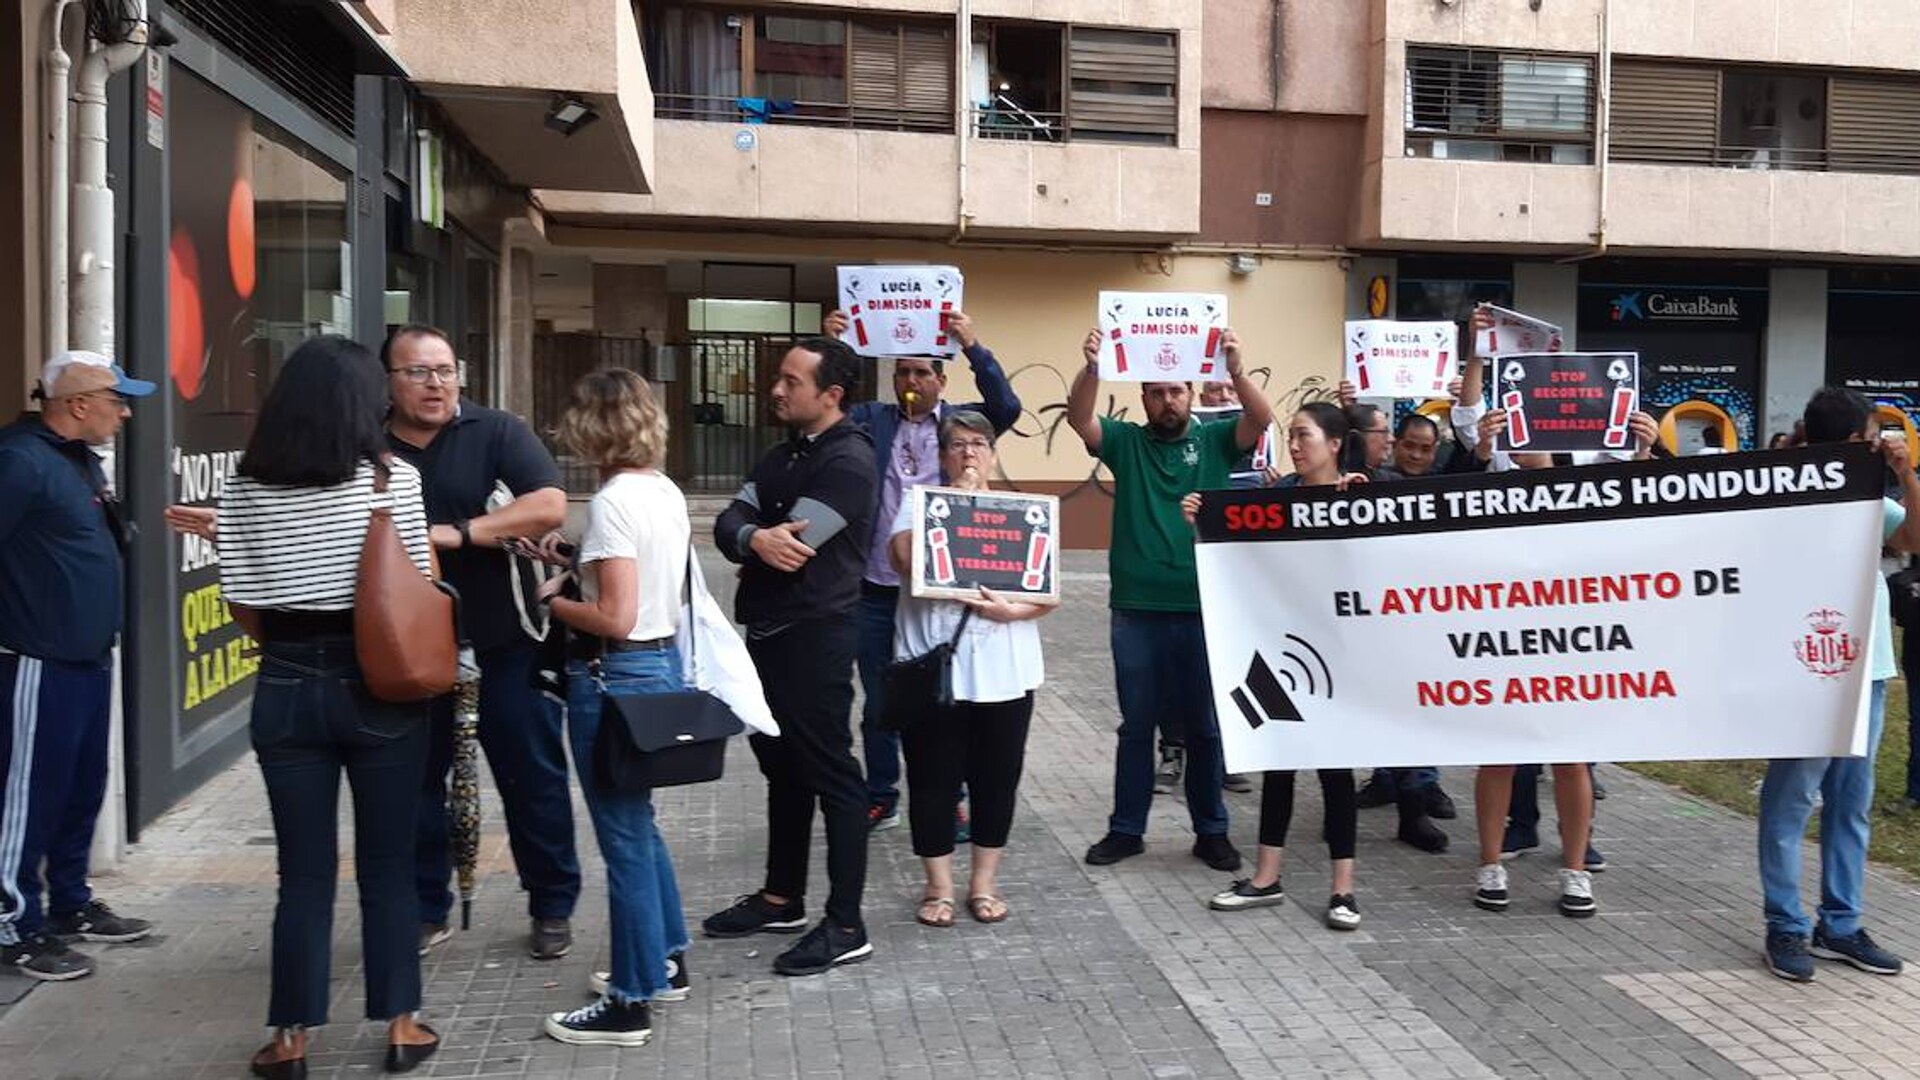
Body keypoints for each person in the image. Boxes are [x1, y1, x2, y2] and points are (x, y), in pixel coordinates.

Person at [167, 325, 577, 960]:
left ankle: (552, 903)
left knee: (532, 776)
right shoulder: (363, 446)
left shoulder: (496, 431)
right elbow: (308, 517)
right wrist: (243, 525)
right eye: (417, 372)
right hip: (397, 654)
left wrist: (458, 534)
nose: (435, 383)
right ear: (386, 382)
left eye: (445, 370)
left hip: (500, 641)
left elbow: (548, 505)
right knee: (414, 785)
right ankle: (422, 907)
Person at [213, 337, 440, 1076]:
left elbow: (241, 600)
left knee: (302, 872)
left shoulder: (244, 486)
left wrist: (288, 642)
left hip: (283, 684)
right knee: (387, 862)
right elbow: (415, 588)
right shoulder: (391, 481)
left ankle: (291, 1039)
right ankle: (402, 1026)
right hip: (378, 684)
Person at [525, 369, 693, 1046]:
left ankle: (630, 1000)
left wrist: (554, 599)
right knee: (641, 829)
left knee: (623, 841)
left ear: (597, 424)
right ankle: (667, 958)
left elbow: (615, 617)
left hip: (614, 674)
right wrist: (575, 558)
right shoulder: (663, 491)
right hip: (655, 668)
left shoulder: (614, 501)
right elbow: (646, 584)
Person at [1067, 326, 1273, 871]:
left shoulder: (1216, 440)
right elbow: (1079, 420)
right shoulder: (1126, 442)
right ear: (1143, 399)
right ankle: (1126, 829)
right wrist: (1092, 368)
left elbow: (1262, 419)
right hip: (1136, 610)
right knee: (1137, 725)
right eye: (1156, 392)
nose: (1167, 400)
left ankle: (1212, 831)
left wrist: (1235, 370)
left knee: (1205, 725)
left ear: (1190, 393)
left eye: (1176, 391)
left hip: (1206, 608)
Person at [704, 335, 879, 977]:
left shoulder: (849, 461)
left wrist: (750, 538)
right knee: (781, 767)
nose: (776, 389)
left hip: (817, 636)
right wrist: (751, 534)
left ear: (831, 395)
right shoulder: (782, 454)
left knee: (832, 771)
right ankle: (782, 897)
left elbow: (792, 548)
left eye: (790, 381)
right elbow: (732, 524)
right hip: (770, 635)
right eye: (778, 378)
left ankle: (847, 923)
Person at [822, 308, 1021, 836]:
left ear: (941, 379)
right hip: (875, 586)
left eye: (921, 373)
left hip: (940, 592)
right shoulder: (871, 421)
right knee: (881, 702)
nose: (911, 381)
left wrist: (973, 345)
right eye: (902, 372)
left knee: (941, 699)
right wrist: (832, 347)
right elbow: (828, 406)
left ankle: (949, 798)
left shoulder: (960, 426)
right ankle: (881, 794)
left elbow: (1007, 406)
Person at [1465, 404, 1657, 919]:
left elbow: (1639, 515)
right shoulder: (1494, 482)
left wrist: (1642, 452)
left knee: (1572, 758)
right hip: (1505, 633)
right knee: (1499, 754)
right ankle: (1490, 865)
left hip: (1572, 637)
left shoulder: (1587, 490)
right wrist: (1484, 450)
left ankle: (1574, 871)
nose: (1527, 439)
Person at [0, 351, 156, 982]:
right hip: (38, 658)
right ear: (79, 403)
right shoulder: (19, 461)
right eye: (117, 400)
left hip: (87, 656)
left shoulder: (79, 459)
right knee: (27, 797)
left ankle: (69, 904)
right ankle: (13, 923)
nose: (124, 412)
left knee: (80, 786)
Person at [1758, 387, 1919, 982]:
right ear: (1854, 440)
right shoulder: (1784, 493)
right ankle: (1786, 923)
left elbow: (1913, 541)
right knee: (1793, 796)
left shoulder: (1873, 494)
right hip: (1807, 665)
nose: (1881, 444)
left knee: (1851, 801)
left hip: (1867, 668)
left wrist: (1908, 477)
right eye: (1874, 436)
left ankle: (1841, 924)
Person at [1198, 403, 1366, 928]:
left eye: (1304, 435)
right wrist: (1202, 520)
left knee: (1338, 773)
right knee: (1280, 763)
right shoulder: (1277, 499)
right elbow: (1242, 557)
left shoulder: (1361, 496)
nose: (1294, 445)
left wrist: (1367, 502)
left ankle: (1344, 890)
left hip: (1341, 653)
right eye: (1290, 436)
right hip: (1285, 650)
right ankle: (1267, 877)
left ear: (1335, 444)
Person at [886, 412, 1052, 927]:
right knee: (933, 780)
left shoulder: (1021, 514)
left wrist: (1013, 611)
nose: (969, 454)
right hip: (934, 671)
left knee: (996, 780)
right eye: (958, 445)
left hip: (1003, 670)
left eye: (979, 445)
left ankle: (983, 883)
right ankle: (938, 886)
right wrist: (954, 502)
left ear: (994, 454)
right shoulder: (919, 506)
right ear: (942, 455)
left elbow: (1046, 590)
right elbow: (903, 559)